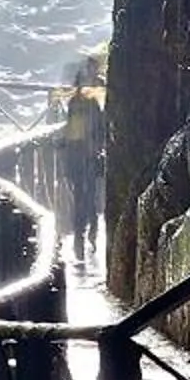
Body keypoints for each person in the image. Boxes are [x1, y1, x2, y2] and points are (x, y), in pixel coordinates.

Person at [60, 62, 107, 263]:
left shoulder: (75, 105)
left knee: (82, 197)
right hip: (86, 157)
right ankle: (88, 233)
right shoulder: (90, 105)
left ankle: (83, 236)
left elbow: (72, 133)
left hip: (79, 158)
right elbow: (99, 130)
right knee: (88, 197)